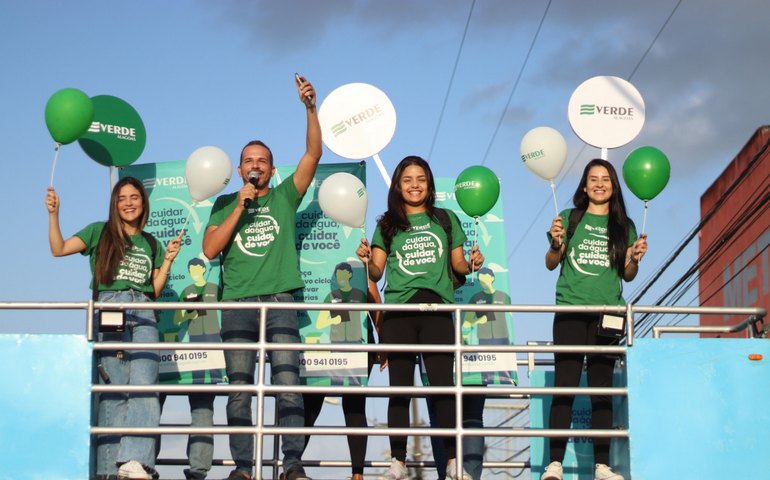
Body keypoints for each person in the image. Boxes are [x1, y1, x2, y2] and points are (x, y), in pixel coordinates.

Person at [202, 74, 321, 480]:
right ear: (240, 169)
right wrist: (240, 206)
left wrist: (309, 108)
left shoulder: (286, 196)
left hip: (281, 302)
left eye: (262, 160)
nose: (256, 166)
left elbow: (313, 153)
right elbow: (210, 249)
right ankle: (243, 468)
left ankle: (292, 464)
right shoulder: (224, 203)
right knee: (239, 390)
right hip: (237, 305)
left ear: (272, 169)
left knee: (288, 385)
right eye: (249, 160)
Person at [356, 155, 484, 480]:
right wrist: (367, 260)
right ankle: (397, 460)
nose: (415, 186)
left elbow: (457, 266)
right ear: (398, 186)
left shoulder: (445, 219)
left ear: (429, 184)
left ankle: (455, 461)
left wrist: (471, 264)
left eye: (421, 179)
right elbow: (376, 271)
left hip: (437, 310)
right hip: (399, 311)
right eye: (408, 180)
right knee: (400, 388)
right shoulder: (387, 223)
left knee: (443, 387)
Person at [46, 177, 181, 480]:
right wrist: (54, 214)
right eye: (122, 198)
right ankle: (108, 471)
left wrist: (168, 261)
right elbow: (59, 248)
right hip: (110, 308)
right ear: (114, 204)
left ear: (143, 203)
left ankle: (136, 463)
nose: (129, 203)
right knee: (115, 391)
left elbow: (155, 289)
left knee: (146, 387)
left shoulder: (151, 243)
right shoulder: (99, 231)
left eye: (135, 197)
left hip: (145, 310)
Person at [540, 159, 648, 480]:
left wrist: (632, 258)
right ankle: (554, 463)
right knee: (565, 387)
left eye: (606, 179)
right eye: (593, 179)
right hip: (570, 311)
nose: (599, 184)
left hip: (608, 315)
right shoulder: (569, 220)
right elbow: (550, 263)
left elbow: (628, 276)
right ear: (584, 186)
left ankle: (602, 465)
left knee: (602, 390)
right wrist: (556, 243)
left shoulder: (624, 227)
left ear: (614, 187)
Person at [303, 276, 382, 480]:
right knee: (310, 404)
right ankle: (291, 466)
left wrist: (384, 339)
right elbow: (321, 320)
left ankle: (357, 474)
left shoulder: (361, 263)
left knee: (354, 404)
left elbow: (373, 295)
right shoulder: (329, 292)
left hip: (358, 343)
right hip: (325, 344)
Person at [170, 257, 223, 480]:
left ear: (203, 269)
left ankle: (198, 469)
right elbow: (176, 318)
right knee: (198, 401)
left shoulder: (215, 287)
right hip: (193, 343)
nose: (194, 271)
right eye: (190, 269)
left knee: (206, 404)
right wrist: (188, 312)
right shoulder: (187, 290)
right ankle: (145, 463)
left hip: (214, 340)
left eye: (197, 268)